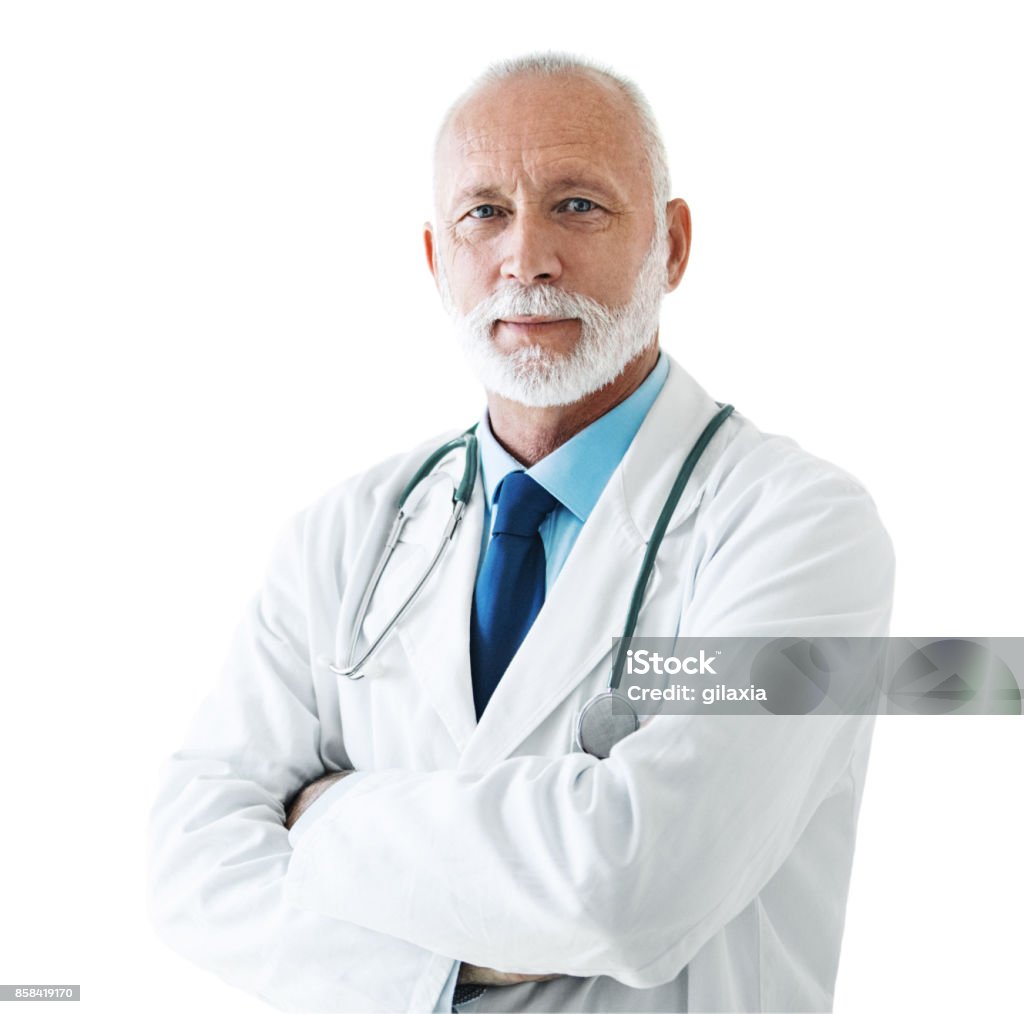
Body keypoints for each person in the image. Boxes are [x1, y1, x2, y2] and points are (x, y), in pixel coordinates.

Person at [148, 52, 895, 1013]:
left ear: (671, 244)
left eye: (578, 205)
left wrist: (323, 814)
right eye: (484, 213)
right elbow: (192, 861)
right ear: (435, 260)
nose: (526, 257)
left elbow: (631, 885)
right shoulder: (340, 536)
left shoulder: (796, 531)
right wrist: (455, 960)